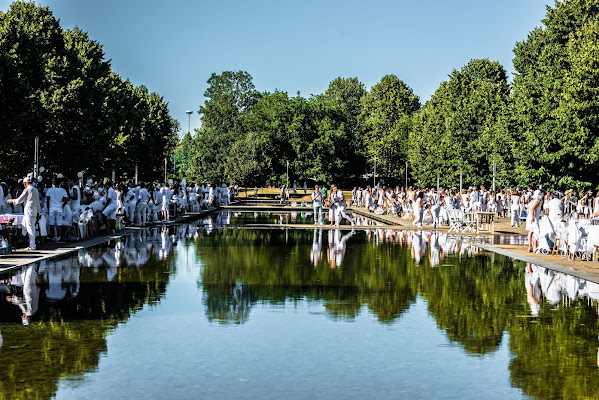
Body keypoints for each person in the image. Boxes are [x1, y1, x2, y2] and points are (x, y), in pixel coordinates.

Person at [8, 177, 40, 250]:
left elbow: (20, 200)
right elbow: (38, 202)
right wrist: (38, 212)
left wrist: (12, 201)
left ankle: (32, 246)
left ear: (25, 183)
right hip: (34, 211)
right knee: (32, 228)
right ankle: (32, 244)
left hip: (28, 211)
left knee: (30, 228)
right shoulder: (35, 190)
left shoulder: (27, 190)